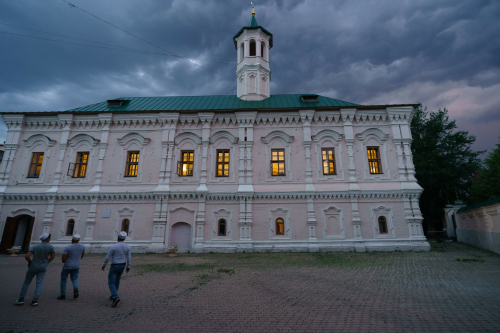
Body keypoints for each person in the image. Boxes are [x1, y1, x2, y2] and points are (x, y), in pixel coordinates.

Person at [14, 233, 55, 306]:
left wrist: (30, 262)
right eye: (49, 237)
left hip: (33, 266)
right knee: (39, 283)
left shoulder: (35, 246)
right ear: (46, 239)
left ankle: (21, 299)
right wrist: (47, 262)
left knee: (26, 282)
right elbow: (53, 256)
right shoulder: (51, 247)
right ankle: (35, 300)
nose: (50, 239)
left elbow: (27, 256)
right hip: (43, 267)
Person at [102, 231, 131, 307]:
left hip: (114, 265)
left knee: (111, 282)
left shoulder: (114, 246)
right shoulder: (127, 247)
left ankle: (115, 296)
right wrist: (128, 266)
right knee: (117, 281)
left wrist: (104, 264)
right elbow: (128, 257)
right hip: (122, 265)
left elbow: (108, 256)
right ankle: (114, 294)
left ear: (118, 238)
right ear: (124, 239)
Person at [57, 234, 85, 300]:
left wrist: (63, 261)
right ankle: (75, 289)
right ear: (79, 240)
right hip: (76, 265)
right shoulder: (82, 246)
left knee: (63, 280)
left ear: (72, 239)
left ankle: (62, 294)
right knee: (74, 278)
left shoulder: (68, 247)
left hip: (67, 266)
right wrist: (77, 260)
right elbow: (82, 255)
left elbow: (64, 257)